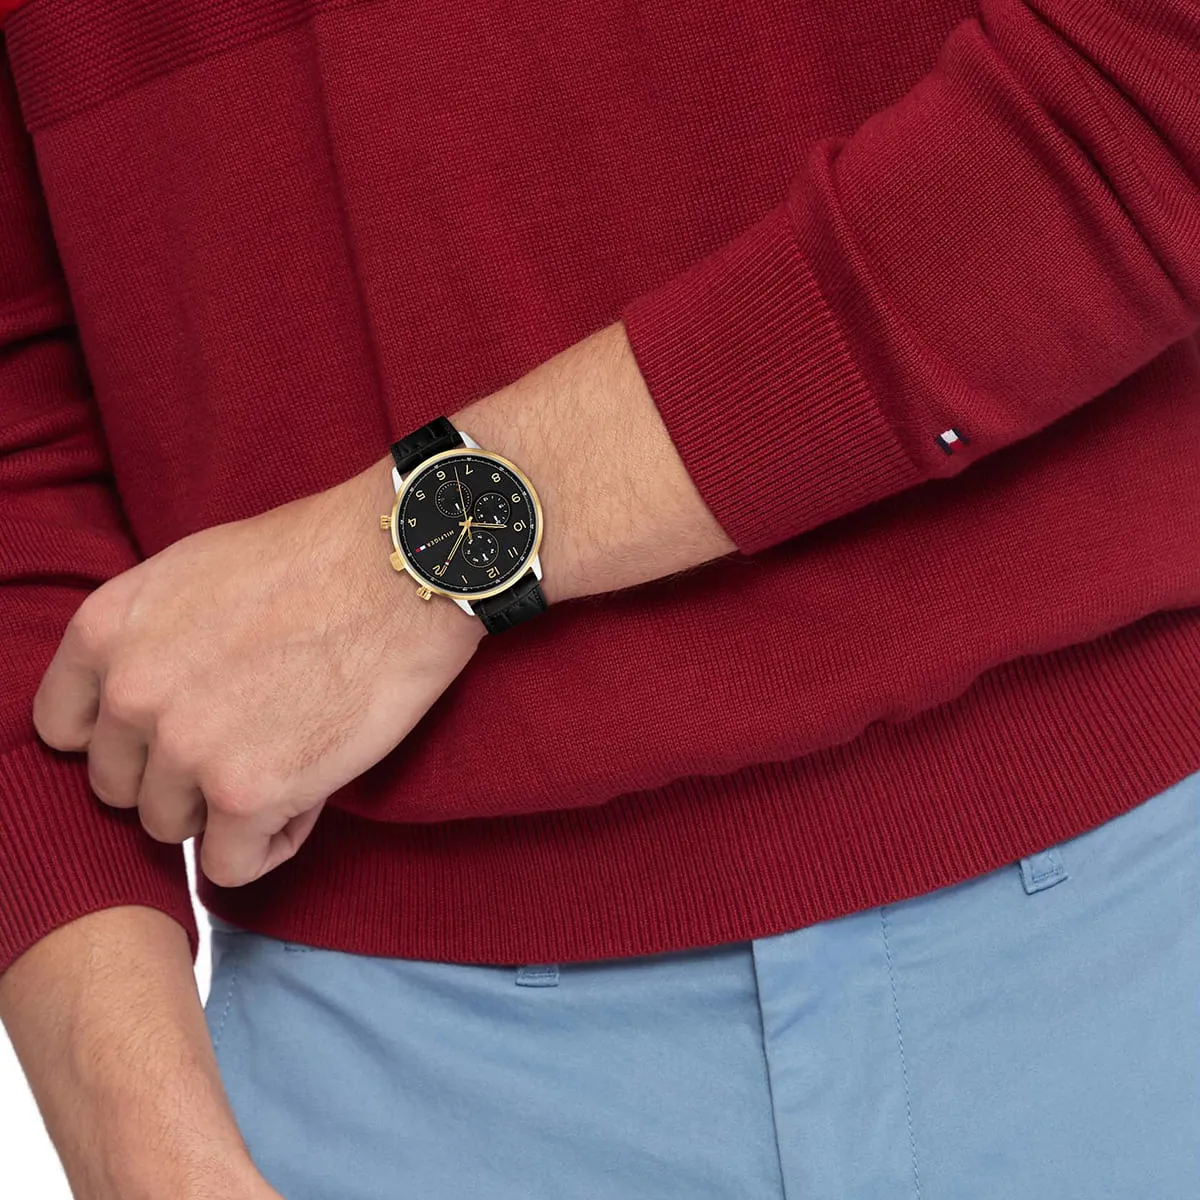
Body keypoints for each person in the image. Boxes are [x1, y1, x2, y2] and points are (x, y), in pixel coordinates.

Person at [1, 1, 1198, 1196]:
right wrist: (142, 1151)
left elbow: (1153, 67)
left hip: (1132, 913)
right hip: (386, 1071)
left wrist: (406, 565)